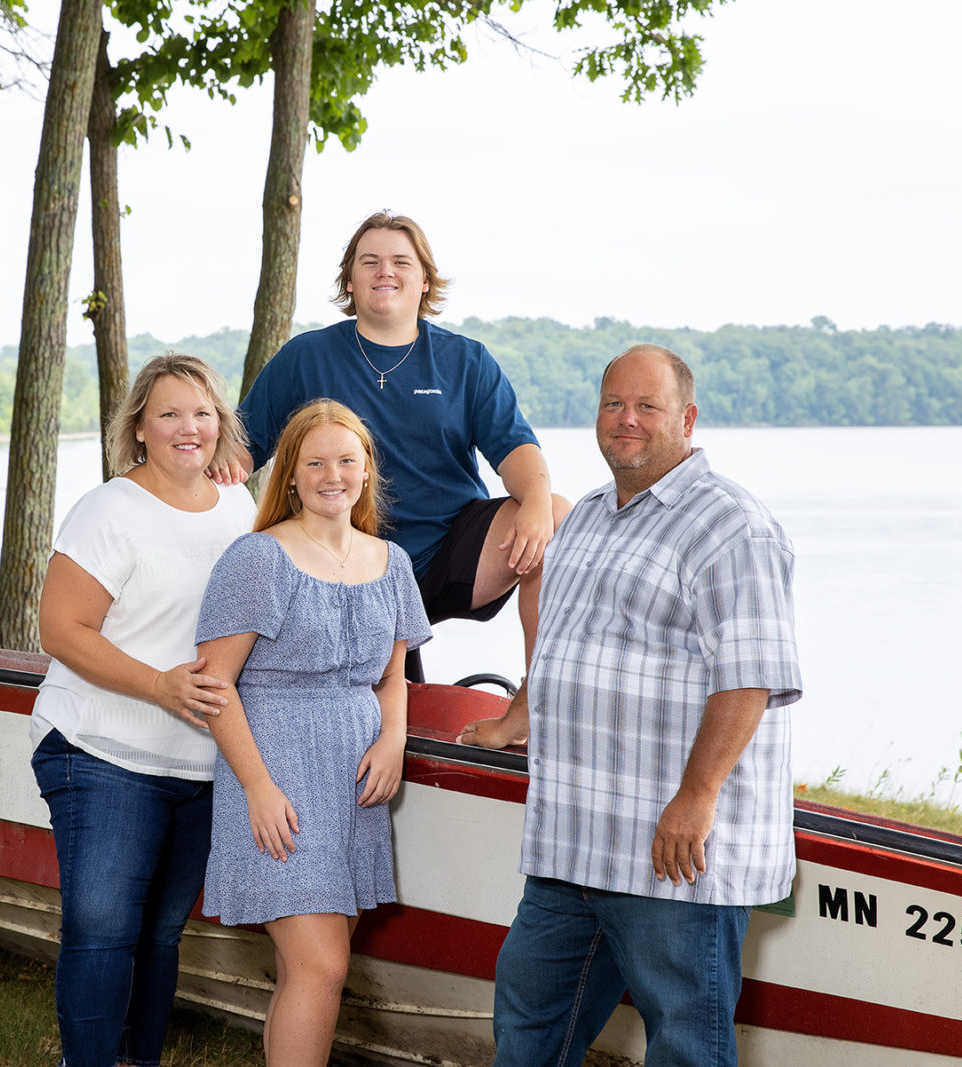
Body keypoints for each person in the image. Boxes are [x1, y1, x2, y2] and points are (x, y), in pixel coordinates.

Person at [459, 344, 803, 1066]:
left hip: (670, 853)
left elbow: (750, 677)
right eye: (613, 403)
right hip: (574, 838)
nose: (627, 419)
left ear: (687, 418)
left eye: (648, 406)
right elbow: (563, 643)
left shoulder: (731, 525)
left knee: (685, 1043)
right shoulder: (586, 516)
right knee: (527, 1026)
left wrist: (696, 795)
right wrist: (517, 717)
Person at [211, 211, 569, 707]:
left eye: (401, 261)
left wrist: (536, 500)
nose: (386, 271)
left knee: (557, 514)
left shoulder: (466, 361)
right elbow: (238, 454)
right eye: (370, 261)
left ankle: (535, 703)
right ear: (349, 280)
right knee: (385, 708)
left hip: (449, 552)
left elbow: (517, 450)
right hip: (342, 559)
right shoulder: (306, 357)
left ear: (425, 281)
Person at [28, 353, 257, 1067]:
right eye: (169, 414)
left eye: (202, 413)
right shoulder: (109, 510)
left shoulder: (240, 508)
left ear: (220, 424)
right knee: (102, 931)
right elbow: (60, 629)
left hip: (200, 760)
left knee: (159, 934)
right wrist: (159, 686)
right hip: (101, 747)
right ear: (138, 427)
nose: (188, 427)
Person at [195, 400, 431, 1066]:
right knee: (321, 965)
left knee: (309, 970)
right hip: (279, 780)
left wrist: (393, 741)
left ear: (367, 469)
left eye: (347, 460)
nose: (333, 475)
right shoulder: (258, 558)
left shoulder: (392, 561)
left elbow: (393, 678)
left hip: (354, 785)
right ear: (291, 475)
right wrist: (257, 788)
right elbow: (214, 687)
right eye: (316, 462)